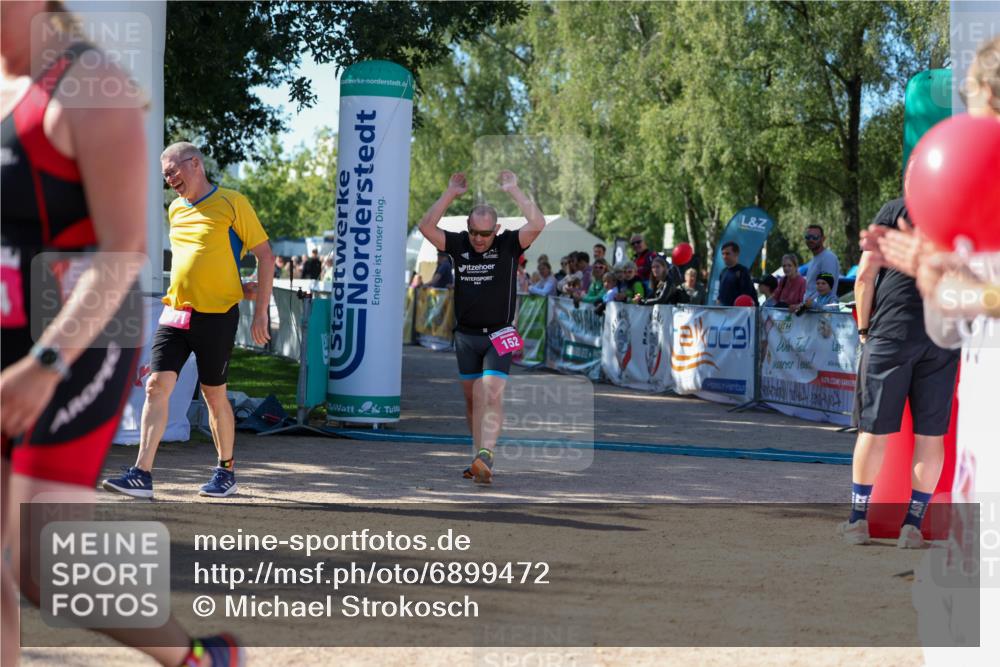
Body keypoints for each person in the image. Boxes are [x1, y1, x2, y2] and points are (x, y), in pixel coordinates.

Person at [0, 4, 243, 666]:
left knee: (48, 567)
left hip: (74, 346)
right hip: (8, 345)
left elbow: (124, 250)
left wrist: (45, 360)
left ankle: (198, 658)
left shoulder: (87, 85)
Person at [102, 142, 274, 500]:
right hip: (176, 313)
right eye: (165, 176)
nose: (169, 181)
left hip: (217, 316)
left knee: (214, 396)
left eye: (172, 172)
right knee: (155, 386)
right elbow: (197, 261)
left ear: (194, 163)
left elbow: (265, 256)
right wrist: (234, 283)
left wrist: (260, 312)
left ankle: (225, 471)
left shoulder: (232, 202)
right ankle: (141, 474)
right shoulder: (176, 210)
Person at [839, 197, 960, 549]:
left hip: (892, 330)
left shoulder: (895, 210)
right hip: (942, 335)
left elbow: (864, 277)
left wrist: (864, 332)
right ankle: (913, 527)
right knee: (930, 435)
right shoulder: (963, 210)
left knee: (873, 430)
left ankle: (857, 521)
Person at [418, 171, 545, 484]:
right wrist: (449, 193)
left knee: (490, 394)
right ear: (468, 228)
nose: (478, 238)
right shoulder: (459, 244)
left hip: (499, 334)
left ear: (496, 230)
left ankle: (487, 452)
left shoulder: (509, 245)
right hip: (465, 337)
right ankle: (478, 455)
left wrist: (514, 190)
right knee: (472, 401)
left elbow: (538, 224)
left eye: (485, 234)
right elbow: (425, 227)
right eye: (474, 232)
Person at [803, 224, 841, 300]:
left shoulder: (828, 257)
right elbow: (810, 290)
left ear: (823, 239)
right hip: (811, 309)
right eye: (808, 237)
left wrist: (806, 305)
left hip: (823, 310)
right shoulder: (814, 259)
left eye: (815, 237)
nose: (811, 240)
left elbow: (826, 289)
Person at [715, 241, 756, 306]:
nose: (724, 256)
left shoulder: (743, 271)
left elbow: (746, 295)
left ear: (736, 254)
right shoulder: (723, 272)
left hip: (737, 312)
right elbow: (720, 295)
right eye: (723, 254)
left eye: (727, 253)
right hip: (723, 313)